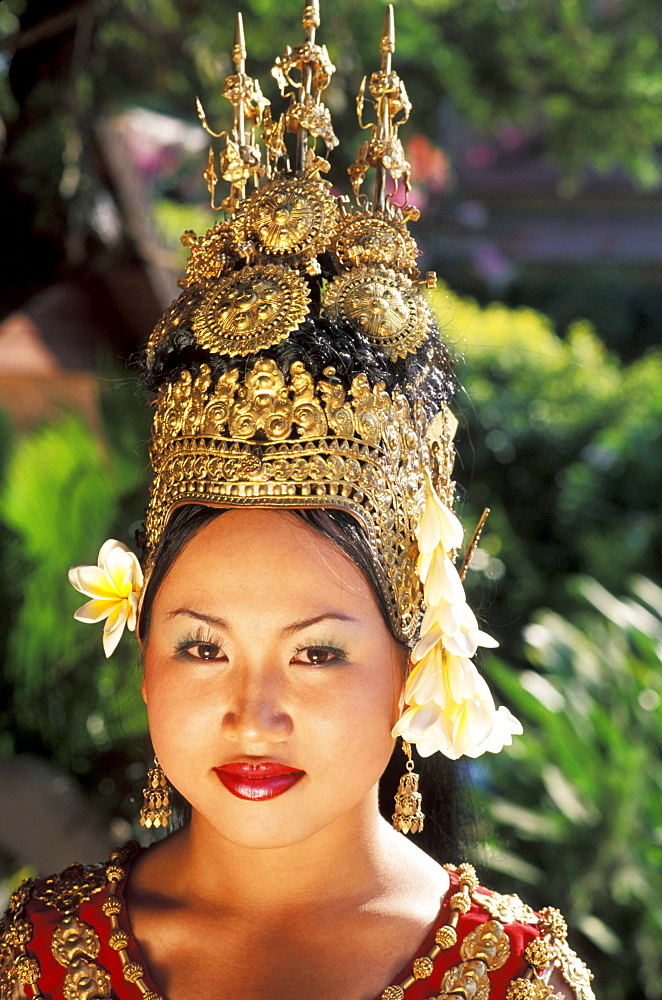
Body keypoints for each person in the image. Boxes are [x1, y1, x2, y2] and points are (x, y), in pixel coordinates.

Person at [0, 5, 595, 999]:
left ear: (411, 655)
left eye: (318, 650)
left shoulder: (512, 980)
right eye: (201, 645)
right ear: (141, 656)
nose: (253, 712)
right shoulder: (38, 959)